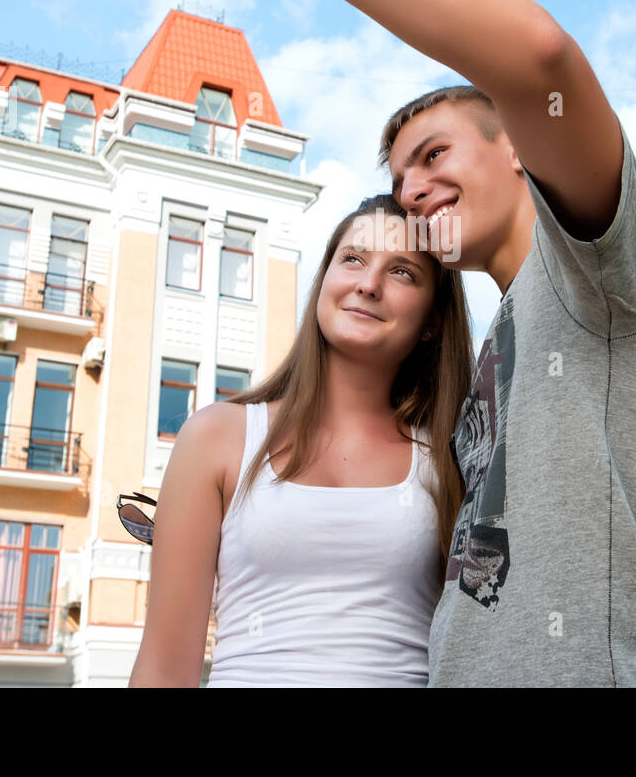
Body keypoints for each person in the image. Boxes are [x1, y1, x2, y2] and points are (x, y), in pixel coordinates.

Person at [100, 0, 636, 687]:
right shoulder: (509, 343)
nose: (411, 192)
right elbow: (634, 501)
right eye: (397, 176)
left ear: (522, 146)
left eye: (434, 156)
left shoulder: (596, 261)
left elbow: (538, 55)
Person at [129, 195, 474, 686]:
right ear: (324, 283)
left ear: (433, 322)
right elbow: (164, 667)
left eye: (402, 272)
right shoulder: (216, 437)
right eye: (352, 258)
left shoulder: (450, 458)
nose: (368, 284)